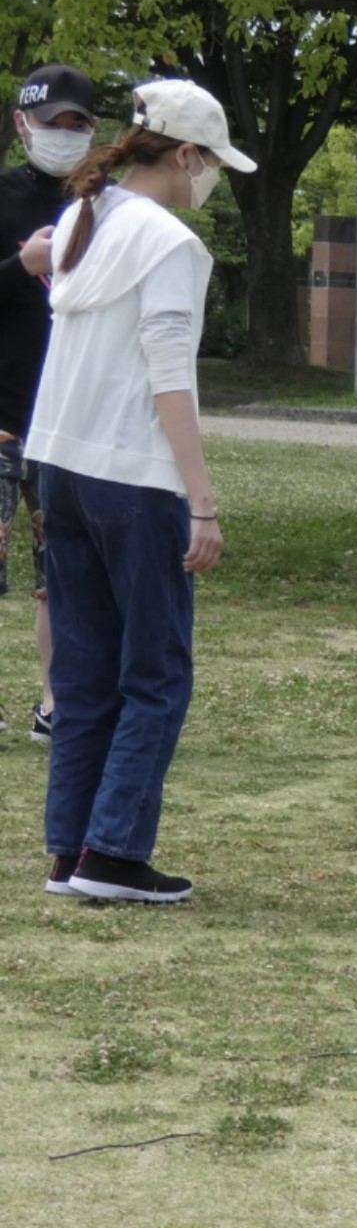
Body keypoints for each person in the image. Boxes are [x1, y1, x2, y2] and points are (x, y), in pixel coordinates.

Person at [29, 79, 252, 902]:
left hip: (59, 462)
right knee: (155, 672)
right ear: (186, 155)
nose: (213, 179)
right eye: (212, 163)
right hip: (133, 476)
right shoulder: (170, 244)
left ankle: (72, 849)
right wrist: (202, 500)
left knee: (85, 669)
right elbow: (169, 379)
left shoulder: (85, 216)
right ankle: (115, 853)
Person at [1, 63, 97, 741]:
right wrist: (23, 266)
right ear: (21, 124)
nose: (63, 135)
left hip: (69, 421)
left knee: (62, 575)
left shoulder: (107, 205)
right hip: (1, 419)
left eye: (76, 124)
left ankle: (56, 704)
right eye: (50, 123)